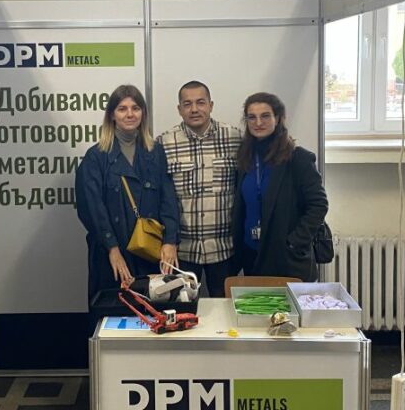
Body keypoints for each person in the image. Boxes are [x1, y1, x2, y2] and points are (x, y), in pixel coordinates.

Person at [75, 84, 181, 299]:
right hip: (113, 255)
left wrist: (170, 241)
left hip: (149, 253)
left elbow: (168, 199)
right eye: (122, 109)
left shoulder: (155, 152)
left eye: (135, 108)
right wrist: (112, 248)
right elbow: (92, 209)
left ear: (143, 113)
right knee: (113, 310)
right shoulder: (97, 157)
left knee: (152, 312)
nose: (130, 114)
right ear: (112, 115)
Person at [157, 81, 241, 297]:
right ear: (179, 109)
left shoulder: (235, 138)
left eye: (200, 102)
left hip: (224, 248)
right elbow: (160, 197)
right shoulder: (164, 143)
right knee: (181, 309)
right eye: (187, 104)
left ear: (211, 105)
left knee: (224, 309)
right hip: (181, 251)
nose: (194, 109)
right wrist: (168, 240)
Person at [233, 92, 328, 282]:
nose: (258, 122)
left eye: (265, 116)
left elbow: (319, 205)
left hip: (286, 258)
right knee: (258, 303)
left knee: (290, 303)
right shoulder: (245, 157)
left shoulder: (298, 158)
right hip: (252, 255)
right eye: (252, 117)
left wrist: (294, 242)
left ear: (278, 118)